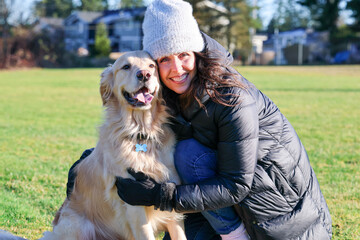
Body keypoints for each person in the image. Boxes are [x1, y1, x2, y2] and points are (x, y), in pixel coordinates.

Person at [70, 0, 332, 239]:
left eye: (183, 55)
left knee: (187, 154)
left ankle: (237, 237)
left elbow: (236, 184)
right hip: (223, 198)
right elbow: (142, 143)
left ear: (197, 53)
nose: (176, 68)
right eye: (164, 59)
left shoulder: (234, 98)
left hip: (283, 217)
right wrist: (97, 159)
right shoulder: (169, 93)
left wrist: (161, 196)